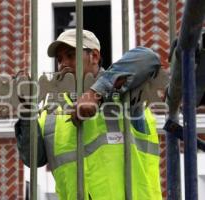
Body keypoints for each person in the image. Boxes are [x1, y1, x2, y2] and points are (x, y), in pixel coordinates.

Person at [15, 29, 162, 200]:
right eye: (60, 59)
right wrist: (27, 109)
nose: (63, 63)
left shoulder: (124, 95)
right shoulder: (52, 110)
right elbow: (34, 159)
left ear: (94, 56)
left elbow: (148, 58)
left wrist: (96, 93)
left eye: (71, 55)